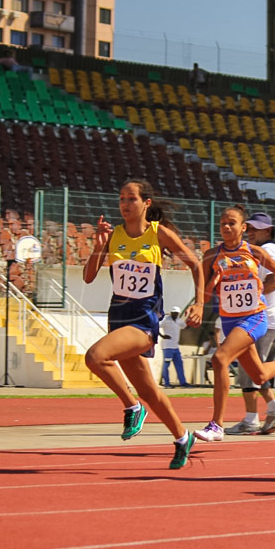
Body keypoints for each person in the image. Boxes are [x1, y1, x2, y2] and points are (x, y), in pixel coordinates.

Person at [82, 179, 205, 469]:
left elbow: (196, 265)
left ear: (146, 203)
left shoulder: (158, 234)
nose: (125, 204)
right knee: (151, 392)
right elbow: (89, 276)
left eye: (131, 199)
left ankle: (132, 406)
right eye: (121, 199)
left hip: (144, 320)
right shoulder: (113, 236)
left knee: (95, 357)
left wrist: (199, 303)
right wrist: (100, 245)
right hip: (119, 320)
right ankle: (182, 437)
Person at [195, 205, 275, 442]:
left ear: (242, 227)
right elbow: (205, 296)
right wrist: (210, 287)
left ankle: (216, 425)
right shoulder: (212, 256)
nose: (226, 227)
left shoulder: (255, 252)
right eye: (223, 223)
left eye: (232, 223)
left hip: (254, 317)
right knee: (257, 376)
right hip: (230, 320)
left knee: (219, 358)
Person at [225, 212, 275, 435]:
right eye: (249, 228)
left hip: (263, 319)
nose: (251, 232)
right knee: (255, 371)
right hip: (271, 320)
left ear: (268, 230)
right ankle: (273, 408)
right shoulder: (273, 250)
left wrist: (252, 293)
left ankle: (251, 419)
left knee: (248, 370)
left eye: (256, 229)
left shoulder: (270, 249)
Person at [159, 307, 189, 388]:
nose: (175, 314)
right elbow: (156, 326)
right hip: (167, 346)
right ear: (171, 312)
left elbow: (185, 326)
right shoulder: (165, 320)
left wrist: (190, 321)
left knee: (179, 364)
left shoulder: (179, 320)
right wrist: (162, 335)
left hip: (176, 346)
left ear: (178, 313)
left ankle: (183, 382)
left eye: (176, 313)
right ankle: (167, 383)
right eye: (173, 312)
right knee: (166, 364)